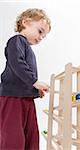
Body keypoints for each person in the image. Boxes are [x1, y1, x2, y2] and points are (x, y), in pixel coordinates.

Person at [0, 8, 51, 150]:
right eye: (40, 31)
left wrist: (34, 89)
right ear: (26, 22)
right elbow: (17, 63)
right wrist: (34, 82)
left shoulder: (28, 49)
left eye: (44, 36)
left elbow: (24, 73)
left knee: (32, 135)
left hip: (26, 98)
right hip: (12, 97)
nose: (41, 38)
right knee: (13, 136)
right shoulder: (16, 41)